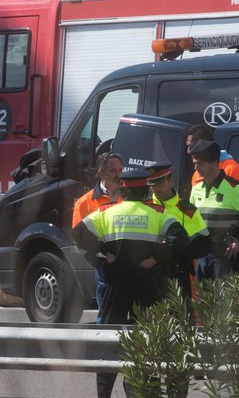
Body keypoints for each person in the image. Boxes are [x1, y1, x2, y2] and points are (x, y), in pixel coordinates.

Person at [72, 169, 187, 398]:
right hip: (146, 287)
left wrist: (103, 250)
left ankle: (104, 392)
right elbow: (180, 237)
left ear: (123, 191)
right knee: (145, 339)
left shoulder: (106, 211)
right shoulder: (157, 212)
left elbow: (78, 233)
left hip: (114, 286)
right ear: (146, 192)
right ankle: (145, 390)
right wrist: (157, 257)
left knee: (109, 339)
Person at [190, 140, 239, 279]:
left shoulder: (233, 188)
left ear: (214, 162)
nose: (196, 168)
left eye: (200, 163)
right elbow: (191, 220)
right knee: (202, 293)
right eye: (194, 163)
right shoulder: (196, 189)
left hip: (225, 256)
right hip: (203, 255)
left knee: (224, 294)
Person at [146, 161, 210, 301]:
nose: (156, 189)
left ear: (171, 181)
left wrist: (179, 248)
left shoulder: (188, 209)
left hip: (178, 271)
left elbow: (202, 243)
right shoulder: (145, 208)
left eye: (160, 184)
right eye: (153, 185)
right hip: (152, 272)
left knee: (183, 312)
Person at [71, 151, 123, 323]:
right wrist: (100, 260)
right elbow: (80, 238)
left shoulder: (130, 196)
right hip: (105, 268)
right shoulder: (85, 203)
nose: (119, 174)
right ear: (101, 173)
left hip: (131, 264)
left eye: (120, 170)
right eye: (113, 171)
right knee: (108, 318)